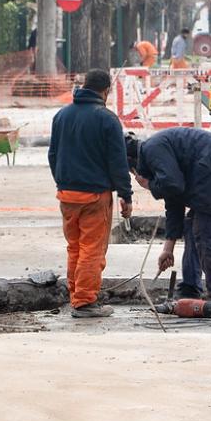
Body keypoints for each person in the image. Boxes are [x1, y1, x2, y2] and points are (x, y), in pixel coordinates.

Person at [126, 128, 211, 311]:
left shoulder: (151, 150)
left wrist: (150, 185)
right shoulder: (155, 154)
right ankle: (190, 289)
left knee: (204, 233)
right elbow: (174, 200)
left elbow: (173, 184)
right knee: (192, 226)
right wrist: (168, 249)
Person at [48, 69, 133, 318]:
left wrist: (62, 182)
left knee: (74, 248)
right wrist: (125, 196)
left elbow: (53, 155)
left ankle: (77, 295)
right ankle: (84, 302)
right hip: (95, 197)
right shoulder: (107, 119)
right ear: (105, 91)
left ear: (84, 85)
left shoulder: (61, 116)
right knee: (91, 250)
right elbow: (118, 162)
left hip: (66, 195)